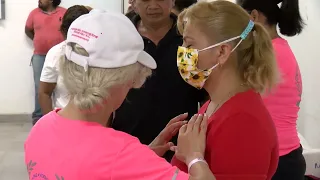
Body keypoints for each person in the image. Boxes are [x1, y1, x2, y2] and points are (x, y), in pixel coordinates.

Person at [24, 10, 216, 180]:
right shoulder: (121, 154)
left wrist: (144, 155)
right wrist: (194, 157)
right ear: (122, 78)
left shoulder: (41, 128)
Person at [171, 1, 279, 179]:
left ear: (222, 52)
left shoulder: (244, 122)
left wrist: (193, 158)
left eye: (189, 46)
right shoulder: (214, 104)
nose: (183, 54)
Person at [112, 0, 207, 161]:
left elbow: (206, 94)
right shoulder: (119, 38)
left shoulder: (189, 38)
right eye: (145, 0)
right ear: (133, 3)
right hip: (127, 146)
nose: (154, 5)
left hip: (181, 149)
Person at [236, 0, 306, 179]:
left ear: (253, 16)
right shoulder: (281, 49)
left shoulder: (267, 55)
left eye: (240, 20)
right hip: (288, 155)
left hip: (275, 160)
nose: (239, 28)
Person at [39, 5, 90, 115]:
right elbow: (44, 93)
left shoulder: (99, 52)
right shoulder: (56, 53)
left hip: (94, 120)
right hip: (64, 118)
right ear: (64, 31)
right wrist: (51, 124)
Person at [25, 0, 66, 125]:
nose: (39, 0)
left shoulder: (64, 12)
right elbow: (28, 30)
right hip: (40, 56)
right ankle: (39, 117)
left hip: (61, 56)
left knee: (61, 85)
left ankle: (60, 115)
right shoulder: (34, 14)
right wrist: (39, 40)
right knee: (40, 87)